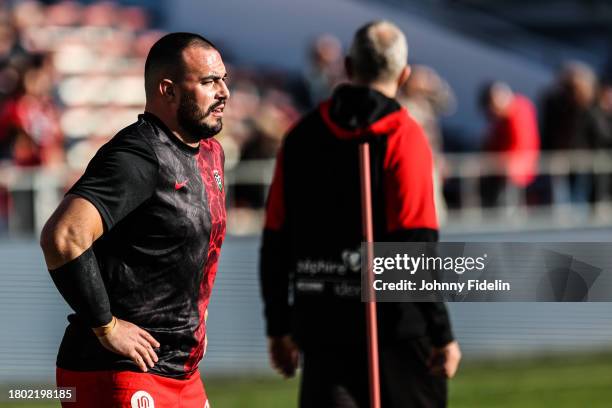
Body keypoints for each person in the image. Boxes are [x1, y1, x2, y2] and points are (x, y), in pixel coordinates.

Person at [260, 21, 461, 408]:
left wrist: (278, 327)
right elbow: (415, 247)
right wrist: (442, 334)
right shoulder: (405, 135)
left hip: (322, 326)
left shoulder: (301, 135)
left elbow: (276, 239)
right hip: (398, 331)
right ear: (403, 75)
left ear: (348, 67)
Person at [39, 32, 230, 408]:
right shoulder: (138, 154)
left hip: (180, 371)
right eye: (208, 82)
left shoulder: (211, 153)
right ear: (168, 90)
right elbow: (64, 236)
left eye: (223, 79)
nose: (223, 91)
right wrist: (106, 327)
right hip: (119, 370)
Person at [479, 81, 540, 207]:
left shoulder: (517, 112)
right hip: (507, 170)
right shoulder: (509, 114)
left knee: (508, 208)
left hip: (512, 172)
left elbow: (519, 143)